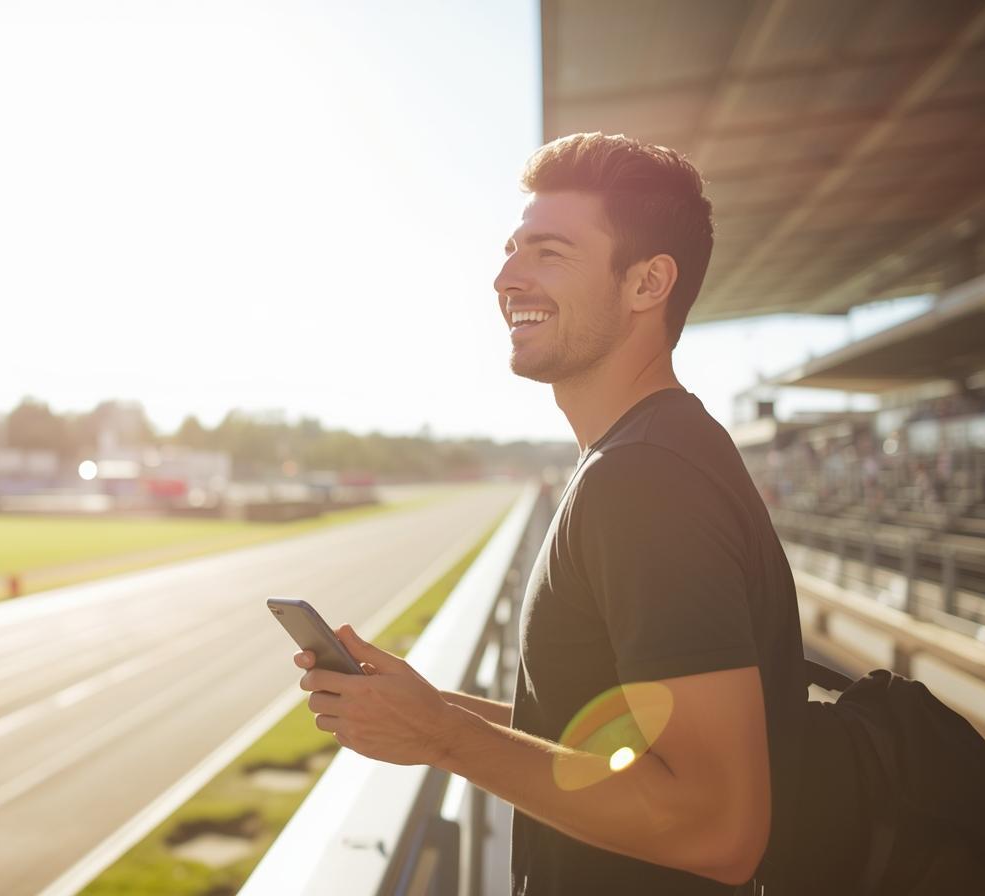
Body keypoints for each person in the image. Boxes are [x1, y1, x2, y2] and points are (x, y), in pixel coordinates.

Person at [292, 133, 804, 894]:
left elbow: (720, 828)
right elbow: (604, 741)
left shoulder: (647, 479)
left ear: (647, 283)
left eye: (548, 253)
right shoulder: (643, 456)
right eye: (510, 250)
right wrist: (430, 711)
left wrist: (443, 738)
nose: (505, 276)